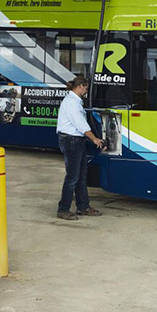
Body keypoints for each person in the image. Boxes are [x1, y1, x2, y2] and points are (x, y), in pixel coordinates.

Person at [55, 75, 105, 220]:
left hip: (76, 141)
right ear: (81, 86)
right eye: (86, 88)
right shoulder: (71, 102)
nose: (86, 92)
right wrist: (94, 139)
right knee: (72, 177)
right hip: (71, 141)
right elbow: (80, 125)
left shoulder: (75, 101)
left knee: (81, 176)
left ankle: (83, 206)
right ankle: (63, 209)